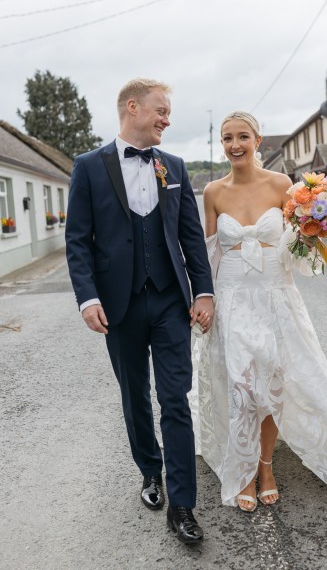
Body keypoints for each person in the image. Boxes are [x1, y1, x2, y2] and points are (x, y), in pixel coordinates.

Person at [194, 111, 327, 512]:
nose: (234, 144)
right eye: (227, 138)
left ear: (258, 140)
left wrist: (318, 229)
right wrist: (201, 298)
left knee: (273, 387)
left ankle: (265, 466)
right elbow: (206, 254)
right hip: (233, 298)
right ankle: (242, 470)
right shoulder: (212, 191)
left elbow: (300, 246)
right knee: (243, 388)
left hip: (276, 296)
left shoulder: (283, 185)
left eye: (243, 136)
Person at [65, 78, 214, 543]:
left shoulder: (174, 166)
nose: (167, 120)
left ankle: (183, 504)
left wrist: (204, 291)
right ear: (133, 108)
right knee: (134, 396)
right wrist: (88, 298)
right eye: (161, 111)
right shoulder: (89, 167)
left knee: (175, 399)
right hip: (118, 305)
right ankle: (150, 472)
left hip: (171, 300)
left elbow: (190, 234)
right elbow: (77, 240)